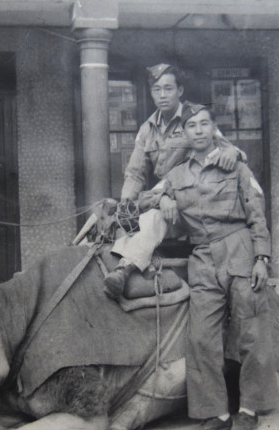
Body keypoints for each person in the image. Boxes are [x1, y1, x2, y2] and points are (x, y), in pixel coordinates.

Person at [141, 102, 278, 430]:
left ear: (214, 128)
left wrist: (262, 257)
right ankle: (216, 412)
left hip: (240, 248)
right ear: (186, 134)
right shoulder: (176, 175)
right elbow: (144, 199)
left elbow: (256, 214)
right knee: (201, 338)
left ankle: (249, 410)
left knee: (253, 332)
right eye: (192, 126)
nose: (198, 130)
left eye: (204, 124)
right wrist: (163, 200)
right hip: (202, 257)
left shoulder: (235, 165)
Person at [104, 63, 245, 297]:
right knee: (124, 223)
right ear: (151, 93)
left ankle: (125, 268)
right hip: (166, 198)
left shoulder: (194, 118)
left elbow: (229, 149)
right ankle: (122, 272)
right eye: (157, 89)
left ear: (180, 91)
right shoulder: (147, 129)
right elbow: (135, 173)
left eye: (168, 89)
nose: (162, 95)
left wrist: (233, 152)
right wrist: (126, 204)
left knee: (155, 216)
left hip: (196, 201)